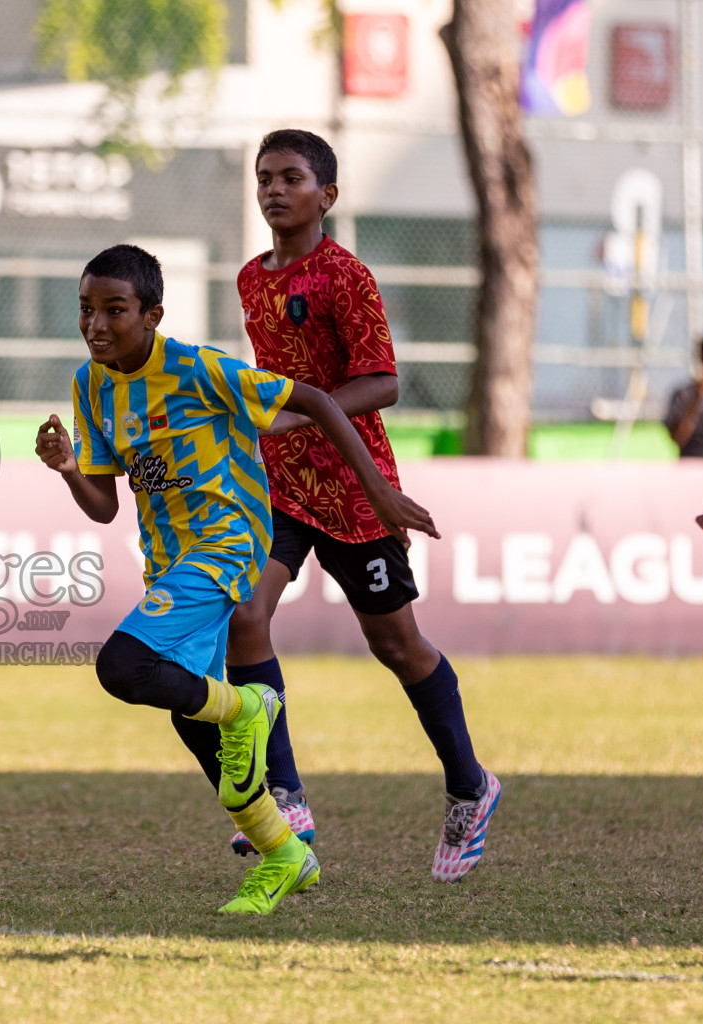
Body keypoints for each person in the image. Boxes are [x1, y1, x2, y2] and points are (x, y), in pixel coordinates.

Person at [35, 244, 439, 914]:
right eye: (86, 309)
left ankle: (250, 705)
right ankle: (285, 856)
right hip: (170, 565)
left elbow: (313, 400)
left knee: (121, 665)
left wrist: (379, 492)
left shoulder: (198, 370)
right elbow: (106, 506)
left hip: (226, 548)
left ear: (153, 314)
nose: (96, 325)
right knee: (198, 730)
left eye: (114, 310)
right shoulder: (92, 385)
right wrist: (69, 468)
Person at [217, 128, 499, 883]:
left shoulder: (345, 277)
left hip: (353, 488)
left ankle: (471, 788)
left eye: (292, 177)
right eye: (265, 177)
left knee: (398, 649)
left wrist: (304, 416)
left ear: (326, 196)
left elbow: (383, 381)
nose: (274, 189)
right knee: (245, 614)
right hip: (280, 485)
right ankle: (286, 796)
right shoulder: (251, 278)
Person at [664, 335, 703, 458]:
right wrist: (698, 397)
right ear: (701, 357)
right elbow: (676, 438)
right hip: (692, 466)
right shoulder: (684, 394)